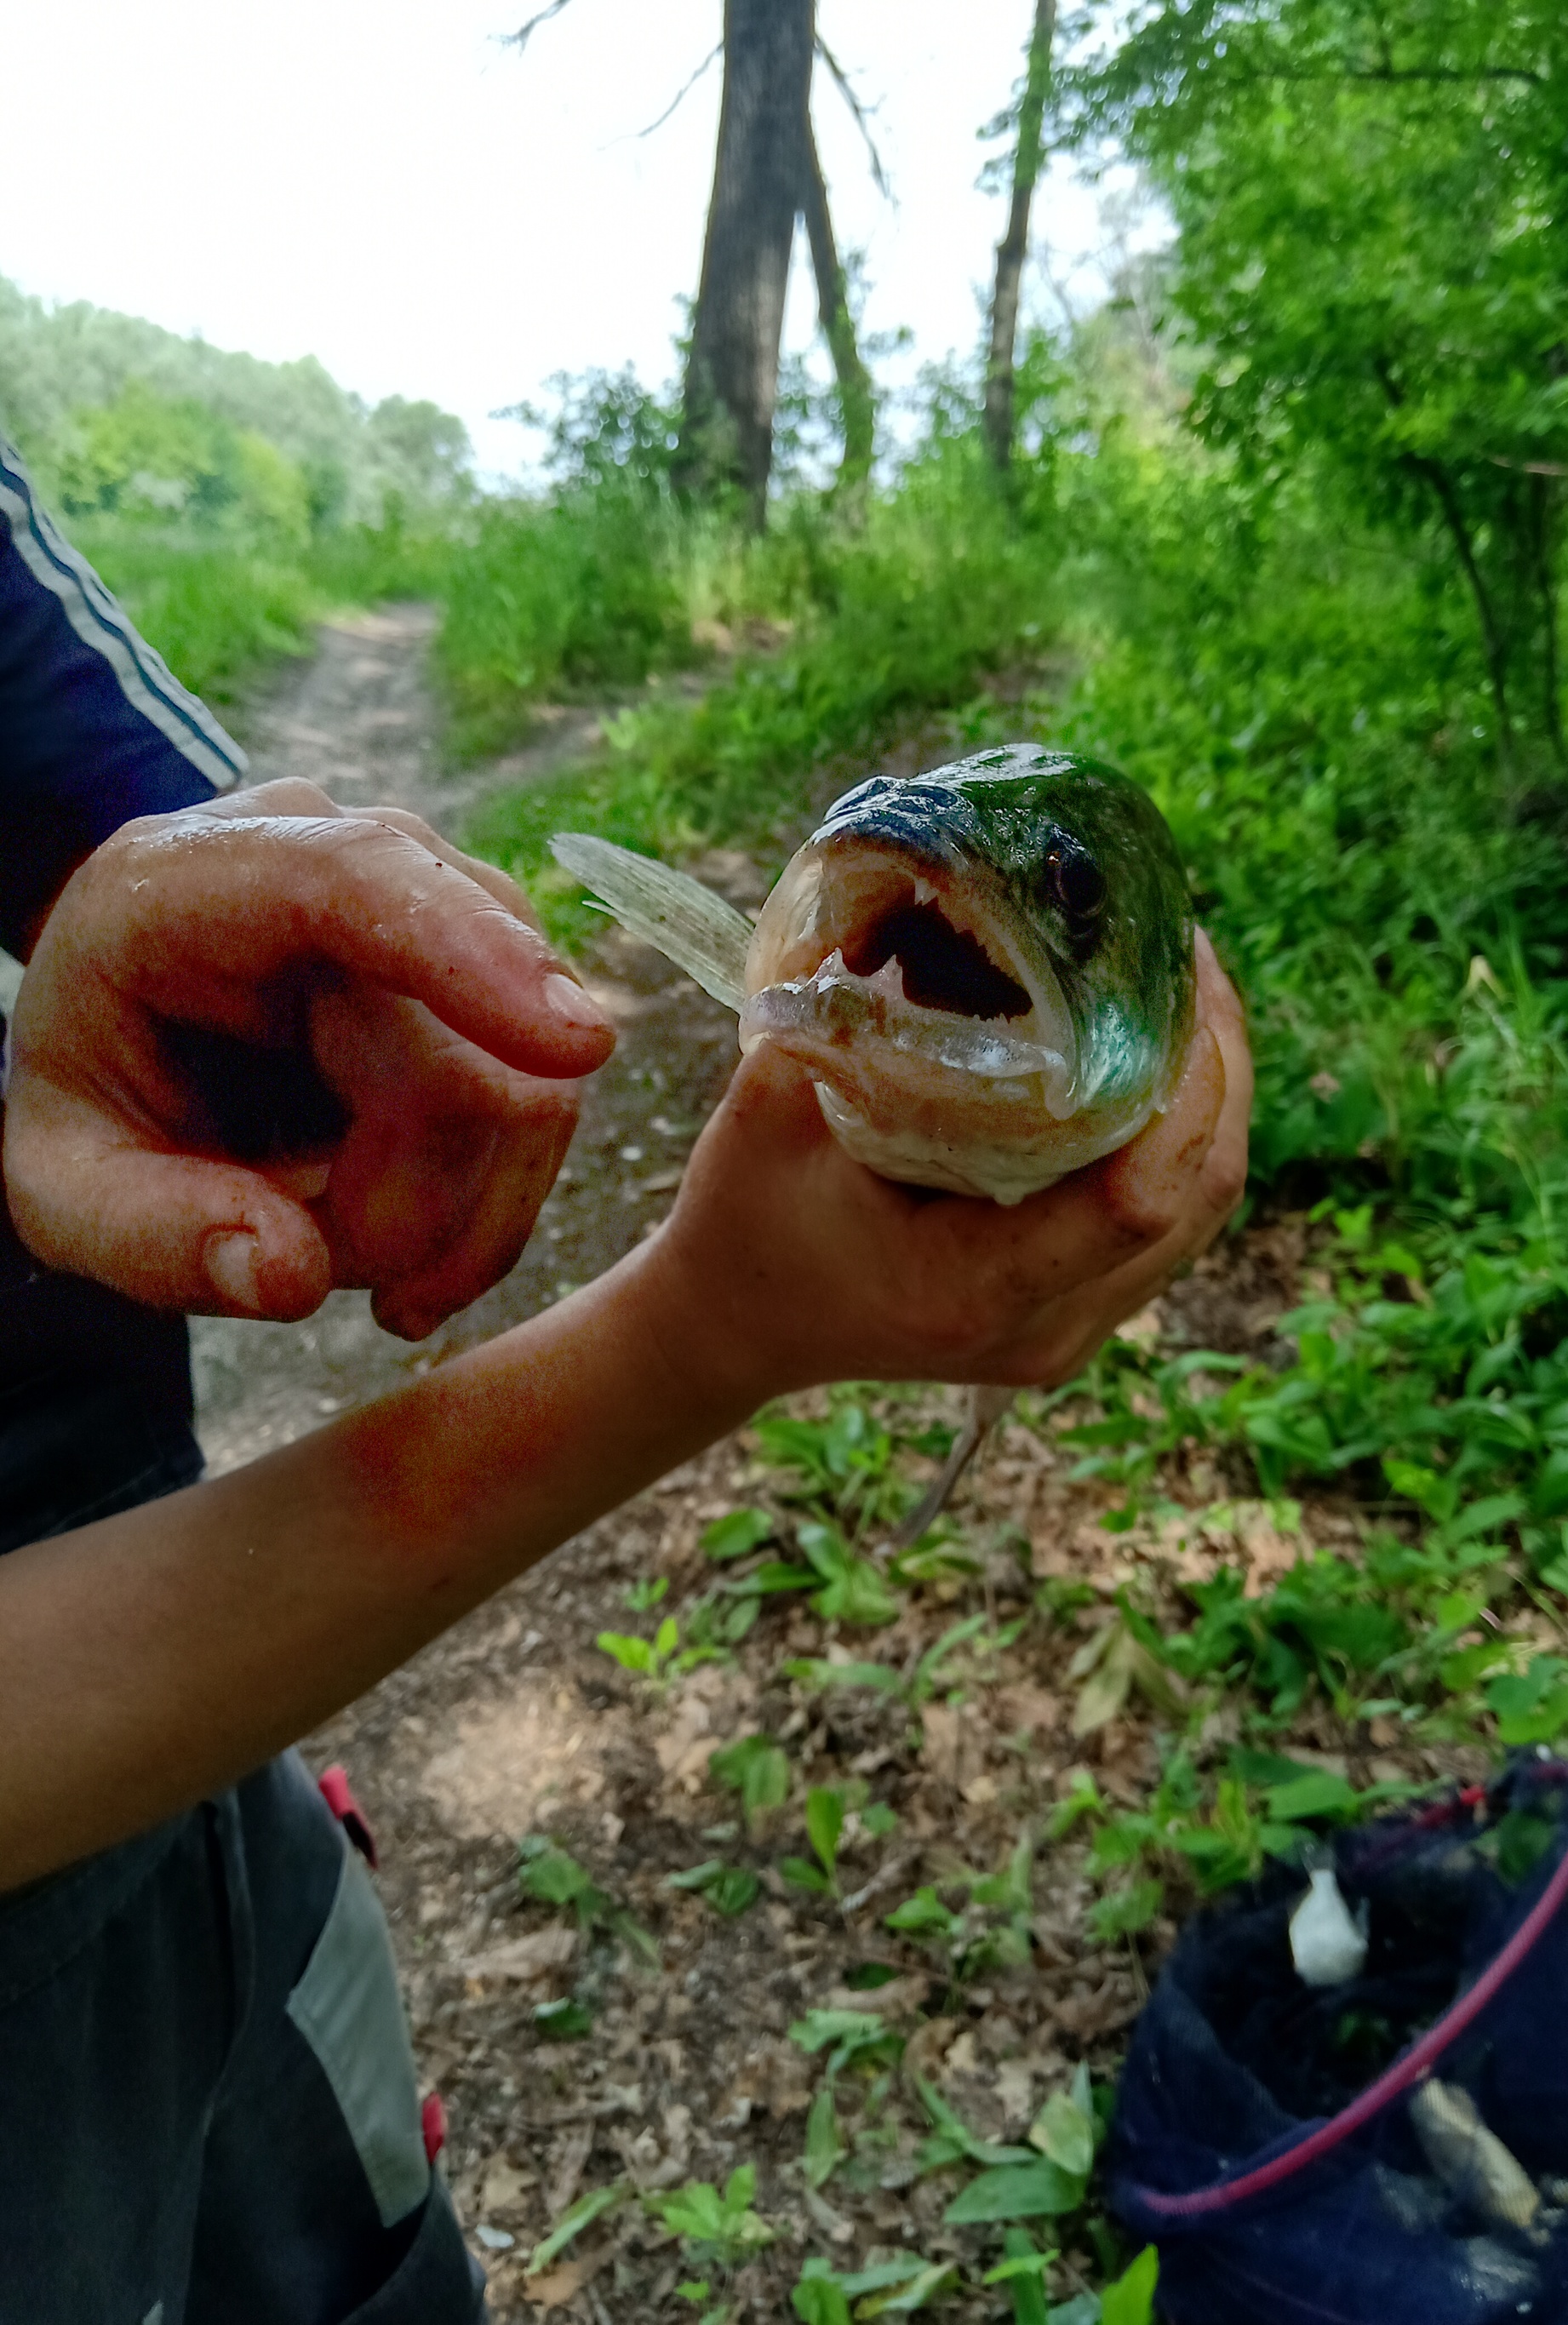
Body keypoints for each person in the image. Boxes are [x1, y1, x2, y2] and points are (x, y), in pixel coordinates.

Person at [0, 433, 1253, 2322]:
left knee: (371, 2266)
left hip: (216, 1792)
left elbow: (99, 774)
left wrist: (289, 937)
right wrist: (701, 1330)